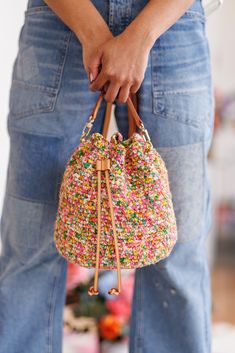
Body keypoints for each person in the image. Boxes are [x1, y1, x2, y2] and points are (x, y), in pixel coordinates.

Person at [0, 0, 214, 352]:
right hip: (61, 21)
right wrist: (93, 31)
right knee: (30, 241)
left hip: (171, 22)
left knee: (178, 246)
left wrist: (139, 37)